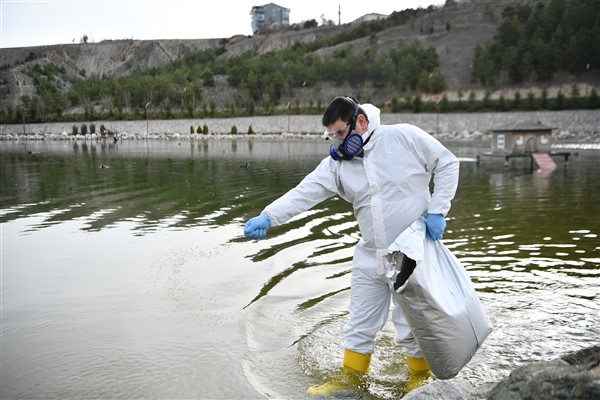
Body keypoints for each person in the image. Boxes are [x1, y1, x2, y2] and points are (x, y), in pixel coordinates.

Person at [244, 96, 460, 395]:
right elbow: (304, 192)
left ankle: (418, 380)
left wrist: (438, 209)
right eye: (330, 136)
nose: (335, 142)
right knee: (359, 322)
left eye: (340, 134)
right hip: (371, 253)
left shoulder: (402, 137)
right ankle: (349, 379)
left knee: (411, 323)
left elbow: (447, 162)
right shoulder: (337, 166)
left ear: (360, 122)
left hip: (409, 251)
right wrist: (268, 216)